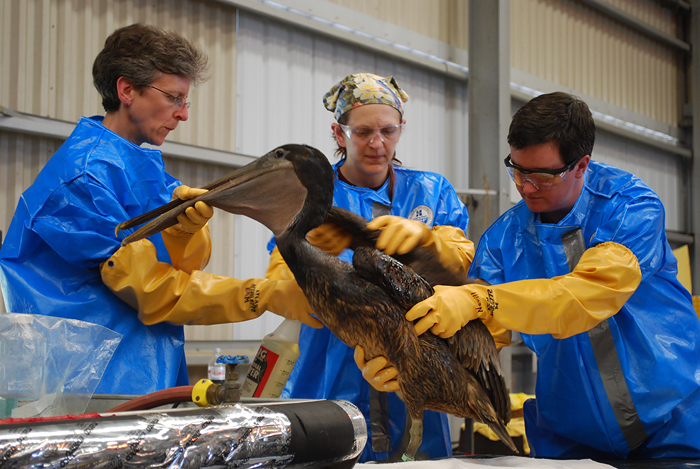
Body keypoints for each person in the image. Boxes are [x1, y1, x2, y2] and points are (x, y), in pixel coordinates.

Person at [0, 23, 320, 397]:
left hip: (147, 373)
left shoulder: (146, 169)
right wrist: (261, 295)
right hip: (86, 388)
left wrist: (184, 236)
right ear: (127, 90)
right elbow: (152, 290)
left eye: (186, 101)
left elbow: (185, 270)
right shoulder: (81, 180)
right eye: (174, 98)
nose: (183, 115)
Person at [404, 91, 700, 458]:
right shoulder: (502, 240)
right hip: (569, 436)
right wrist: (412, 367)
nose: (526, 187)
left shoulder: (630, 209)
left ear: (581, 165)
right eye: (517, 169)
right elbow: (479, 338)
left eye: (543, 175)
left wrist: (484, 299)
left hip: (671, 425)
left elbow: (585, 295)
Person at [265, 73, 475, 462]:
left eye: (388, 131)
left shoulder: (432, 191)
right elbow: (283, 274)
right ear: (339, 132)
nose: (377, 144)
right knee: (333, 450)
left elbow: (458, 262)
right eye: (363, 132)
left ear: (401, 129)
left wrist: (425, 241)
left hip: (416, 365)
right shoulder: (310, 192)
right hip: (330, 365)